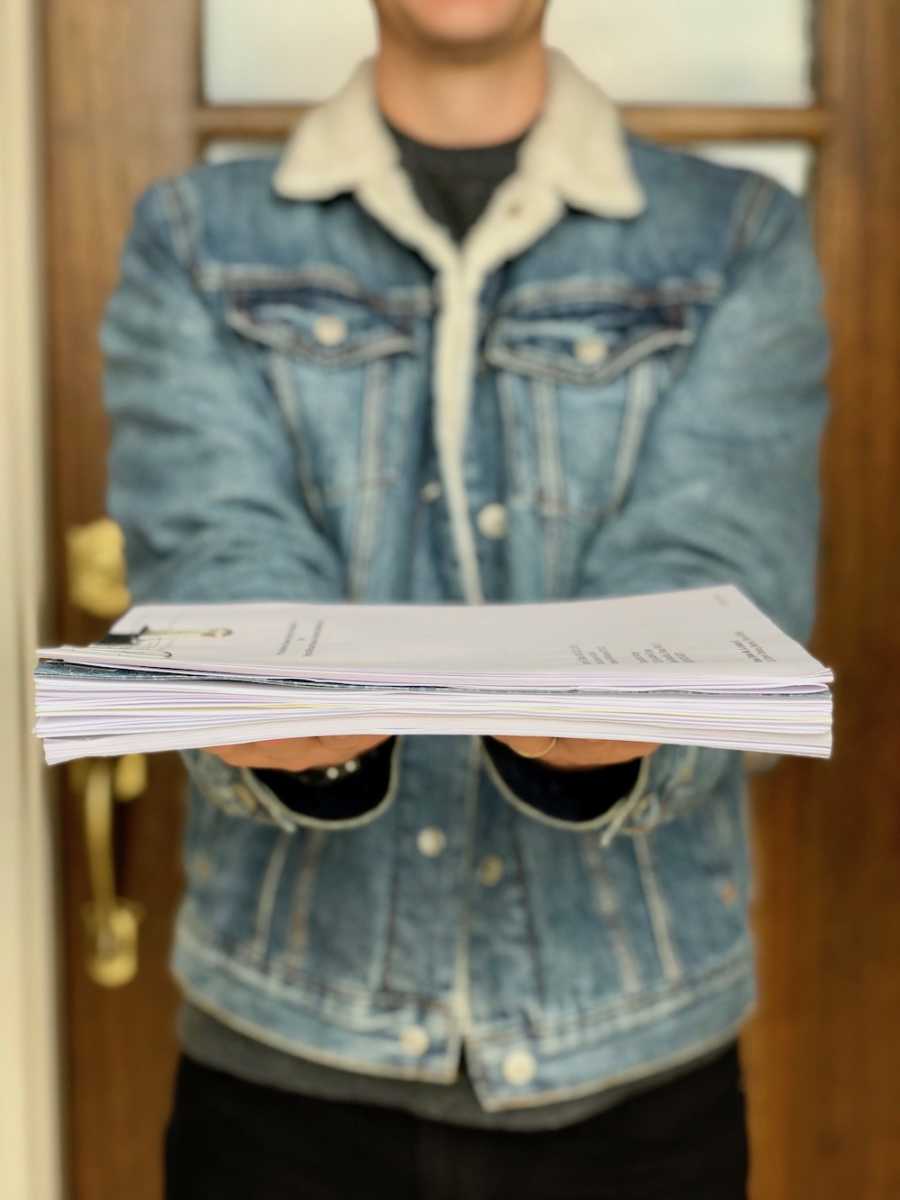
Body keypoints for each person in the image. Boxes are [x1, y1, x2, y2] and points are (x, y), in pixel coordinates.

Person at [100, 1, 829, 1196]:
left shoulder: (738, 237)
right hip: (284, 1059)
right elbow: (215, 541)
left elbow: (718, 548)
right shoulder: (191, 238)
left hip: (637, 1063)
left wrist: (616, 725)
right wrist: (280, 719)